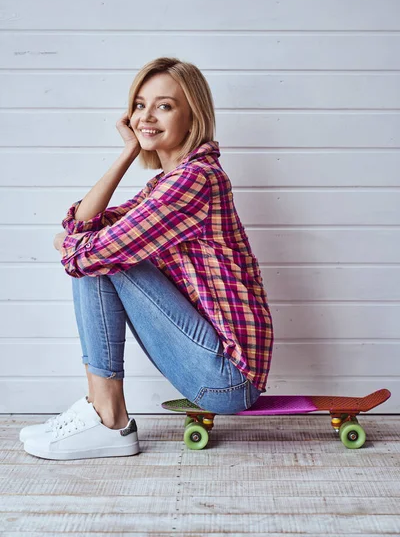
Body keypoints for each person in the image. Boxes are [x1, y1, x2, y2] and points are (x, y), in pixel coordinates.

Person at [20, 57, 274, 460]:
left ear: (193, 117)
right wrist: (128, 151)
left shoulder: (195, 181)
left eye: (164, 105)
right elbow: (83, 226)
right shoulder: (167, 183)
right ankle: (105, 417)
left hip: (227, 376)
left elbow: (87, 251)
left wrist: (72, 245)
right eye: (140, 105)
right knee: (98, 254)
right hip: (213, 367)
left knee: (100, 258)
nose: (146, 116)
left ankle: (107, 419)